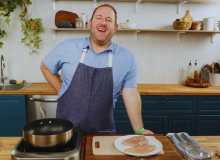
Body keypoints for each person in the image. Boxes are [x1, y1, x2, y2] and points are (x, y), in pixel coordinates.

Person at [40, 4, 153, 136]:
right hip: (65, 132)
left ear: (115, 28)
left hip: (103, 133)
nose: (103, 23)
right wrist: (63, 91)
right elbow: (45, 67)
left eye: (109, 20)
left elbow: (131, 94)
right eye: (99, 18)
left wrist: (140, 130)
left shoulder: (127, 58)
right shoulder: (67, 47)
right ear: (91, 23)